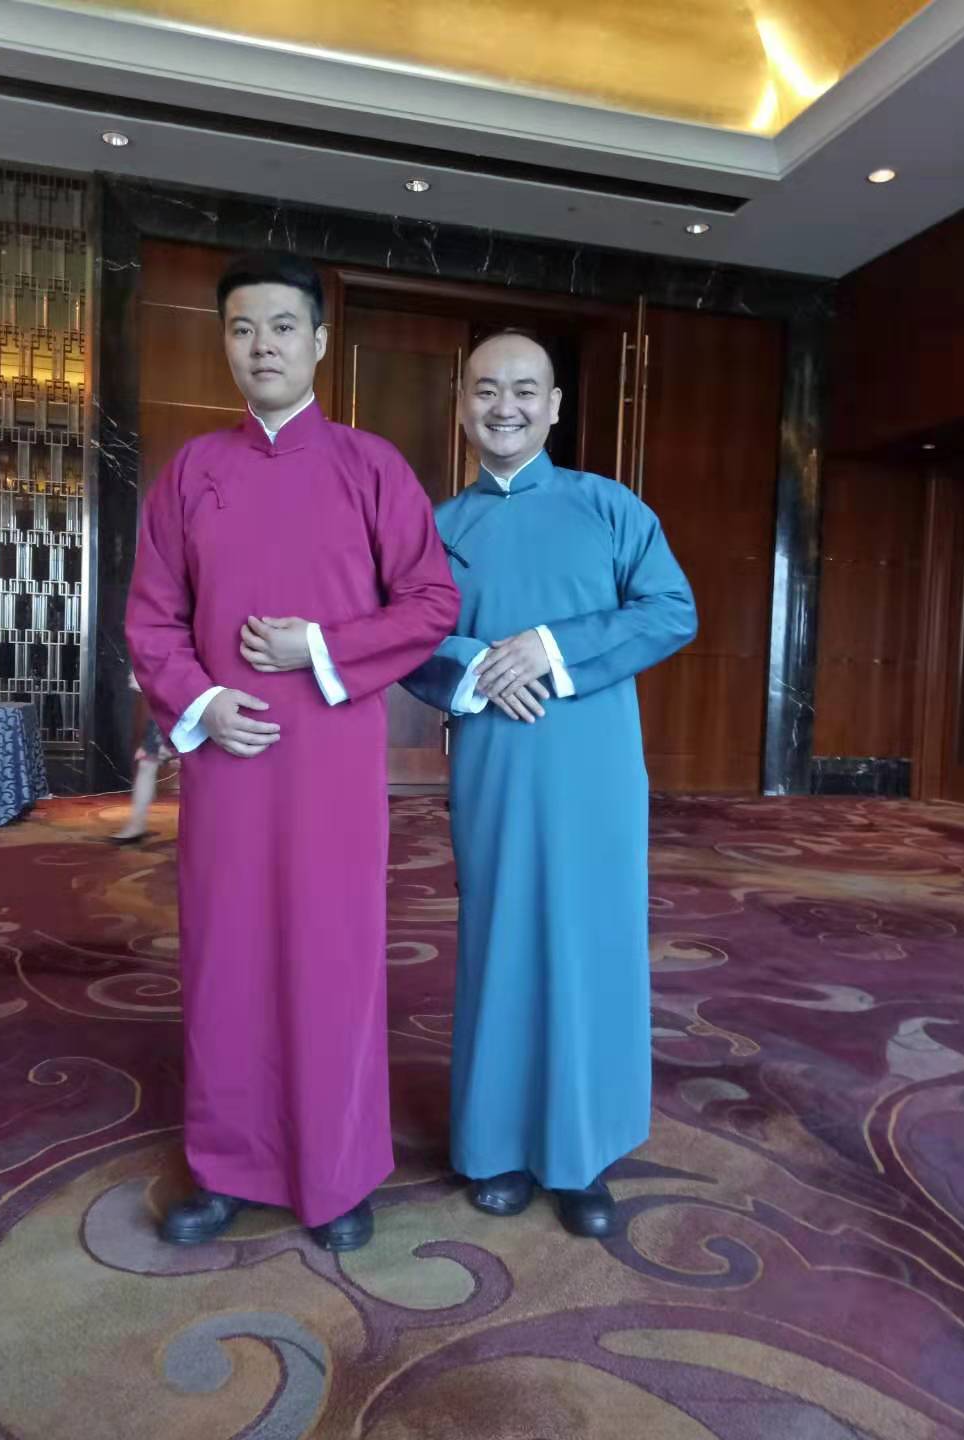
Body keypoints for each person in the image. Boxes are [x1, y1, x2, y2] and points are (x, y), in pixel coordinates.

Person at [126, 252, 459, 1252]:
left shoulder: (371, 467)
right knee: (224, 956)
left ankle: (338, 1171)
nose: (261, 346)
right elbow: (152, 618)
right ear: (224, 344)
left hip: (332, 760)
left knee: (331, 957)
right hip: (227, 761)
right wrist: (203, 702)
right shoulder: (193, 472)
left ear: (318, 340)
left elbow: (432, 604)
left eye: (281, 326)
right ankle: (225, 1164)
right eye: (241, 328)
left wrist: (321, 647)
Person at [403, 330, 696, 1238]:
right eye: (487, 390)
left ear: (555, 405)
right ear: (462, 403)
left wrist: (552, 649)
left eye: (525, 390)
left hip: (597, 764)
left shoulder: (609, 507)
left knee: (591, 943)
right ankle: (493, 1147)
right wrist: (483, 662)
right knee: (502, 940)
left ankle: (581, 1154)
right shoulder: (437, 529)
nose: (506, 407)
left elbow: (672, 610)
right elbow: (404, 638)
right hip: (496, 762)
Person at [110, 671, 173, 844]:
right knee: (147, 762)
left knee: (148, 762)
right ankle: (137, 824)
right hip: (169, 703)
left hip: (185, 699)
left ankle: (137, 824)